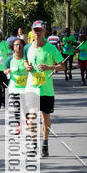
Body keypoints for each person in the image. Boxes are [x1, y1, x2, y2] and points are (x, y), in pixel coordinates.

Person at [24, 20, 66, 158]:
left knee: (45, 116)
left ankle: (45, 143)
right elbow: (25, 61)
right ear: (32, 31)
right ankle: (33, 144)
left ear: (44, 31)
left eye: (40, 30)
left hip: (46, 89)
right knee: (32, 116)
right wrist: (27, 66)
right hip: (31, 88)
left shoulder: (51, 48)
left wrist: (49, 67)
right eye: (35, 30)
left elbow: (63, 66)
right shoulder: (27, 48)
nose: (37, 32)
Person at [3, 37, 28, 134]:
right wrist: (7, 71)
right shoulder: (10, 59)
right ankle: (19, 126)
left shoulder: (27, 58)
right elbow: (4, 70)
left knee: (25, 108)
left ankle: (27, 123)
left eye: (20, 44)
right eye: (16, 45)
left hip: (26, 88)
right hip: (13, 88)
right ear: (13, 47)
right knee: (16, 108)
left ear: (23, 46)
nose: (18, 46)